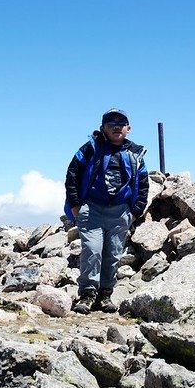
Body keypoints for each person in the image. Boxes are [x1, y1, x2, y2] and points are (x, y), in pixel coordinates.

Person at [64, 108, 149, 314]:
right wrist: (76, 206)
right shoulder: (91, 148)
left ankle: (105, 295)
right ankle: (86, 295)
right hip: (91, 209)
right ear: (102, 128)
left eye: (121, 124)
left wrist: (135, 211)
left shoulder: (135, 154)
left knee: (113, 255)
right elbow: (72, 174)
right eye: (111, 124)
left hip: (120, 212)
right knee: (92, 251)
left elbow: (143, 184)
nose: (116, 127)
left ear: (128, 128)